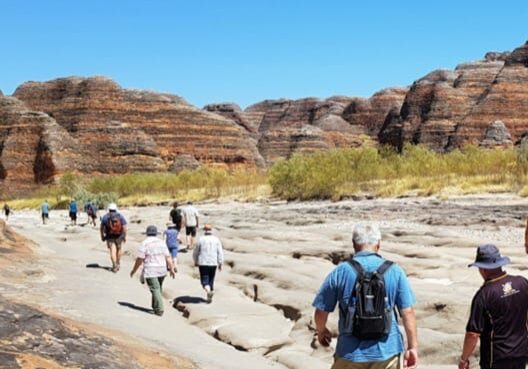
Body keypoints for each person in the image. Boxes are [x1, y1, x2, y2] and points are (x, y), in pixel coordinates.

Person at [312, 222, 418, 369]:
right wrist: (412, 348)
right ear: (378, 244)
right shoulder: (395, 271)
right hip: (387, 353)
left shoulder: (340, 271)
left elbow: (320, 311)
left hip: (349, 354)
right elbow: (407, 312)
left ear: (354, 244)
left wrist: (321, 331)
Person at [458, 244, 528, 369]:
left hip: (496, 358)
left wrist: (464, 359)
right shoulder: (522, 283)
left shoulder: (484, 295)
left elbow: (473, 334)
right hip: (521, 353)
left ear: (483, 269)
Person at [130, 225, 176, 316]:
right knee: (158, 288)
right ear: (156, 233)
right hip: (162, 269)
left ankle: (159, 309)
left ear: (147, 233)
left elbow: (140, 259)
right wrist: (172, 269)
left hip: (151, 270)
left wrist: (134, 270)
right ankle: (155, 306)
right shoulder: (162, 243)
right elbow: (168, 257)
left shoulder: (145, 243)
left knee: (155, 289)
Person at [193, 224, 224, 303]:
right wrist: (220, 263)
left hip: (203, 262)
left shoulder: (201, 239)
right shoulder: (216, 239)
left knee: (204, 280)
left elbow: (196, 251)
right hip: (213, 262)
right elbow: (220, 252)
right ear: (211, 230)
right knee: (211, 279)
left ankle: (208, 292)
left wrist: (195, 261)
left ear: (204, 230)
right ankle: (209, 295)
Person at [100, 203, 127, 273]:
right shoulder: (120, 216)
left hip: (109, 236)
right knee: (119, 249)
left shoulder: (105, 217)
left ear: (109, 209)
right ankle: (118, 263)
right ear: (115, 209)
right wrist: (124, 236)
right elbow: (124, 227)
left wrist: (102, 236)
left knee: (112, 251)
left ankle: (114, 265)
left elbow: (101, 228)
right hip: (119, 236)